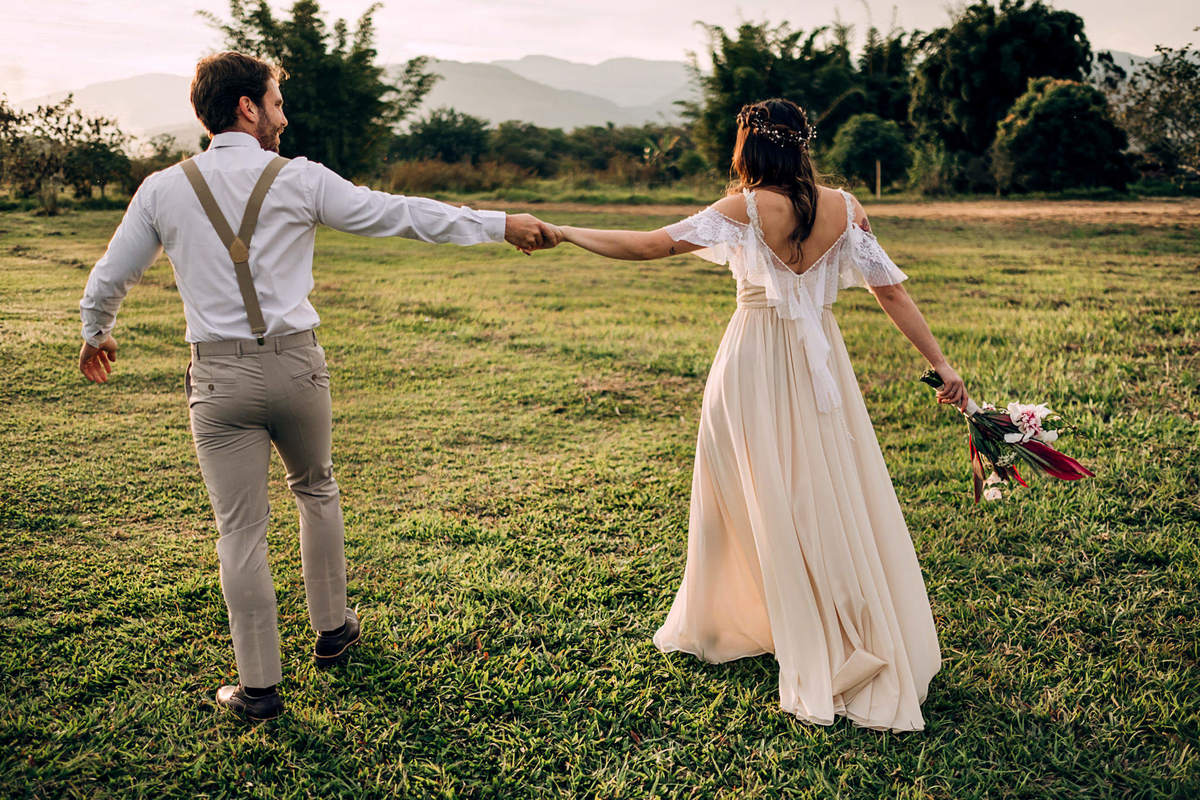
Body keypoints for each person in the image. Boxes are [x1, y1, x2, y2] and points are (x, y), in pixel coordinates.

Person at [77, 51, 557, 722]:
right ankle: (333, 631)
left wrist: (97, 332)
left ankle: (259, 690)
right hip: (298, 367)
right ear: (246, 106)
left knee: (239, 529)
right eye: (276, 101)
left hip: (218, 378)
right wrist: (498, 223)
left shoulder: (163, 188)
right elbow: (401, 214)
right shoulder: (298, 180)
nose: (283, 113)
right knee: (317, 488)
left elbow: (109, 277)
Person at [547, 99, 967, 731]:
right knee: (823, 491)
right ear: (802, 144)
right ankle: (805, 615)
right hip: (822, 369)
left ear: (749, 147)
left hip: (751, 365)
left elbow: (648, 246)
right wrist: (943, 364)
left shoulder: (742, 209)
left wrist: (567, 232)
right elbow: (891, 290)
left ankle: (757, 618)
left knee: (746, 492)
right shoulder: (846, 207)